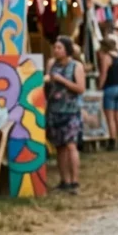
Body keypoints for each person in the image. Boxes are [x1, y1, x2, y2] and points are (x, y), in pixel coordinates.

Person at [45, 35, 86, 194]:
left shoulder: (76, 66)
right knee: (59, 147)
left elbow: (80, 88)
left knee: (71, 145)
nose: (56, 50)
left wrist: (62, 80)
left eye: (59, 47)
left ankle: (75, 180)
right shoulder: (51, 64)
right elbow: (48, 81)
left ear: (67, 49)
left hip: (71, 110)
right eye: (55, 47)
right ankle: (64, 180)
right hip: (55, 110)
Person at [98, 35, 118, 150]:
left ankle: (112, 141)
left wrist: (99, 86)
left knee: (110, 117)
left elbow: (104, 74)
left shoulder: (106, 57)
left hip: (110, 87)